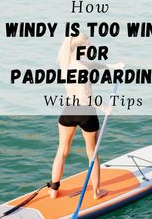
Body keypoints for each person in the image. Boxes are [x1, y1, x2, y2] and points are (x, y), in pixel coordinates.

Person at [48, 33, 123, 200]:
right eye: (88, 45)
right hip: (86, 113)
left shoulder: (67, 62)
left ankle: (53, 189)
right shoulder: (82, 68)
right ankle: (96, 192)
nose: (90, 47)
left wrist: (111, 67)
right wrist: (105, 107)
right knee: (92, 154)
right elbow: (86, 98)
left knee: (62, 150)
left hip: (68, 111)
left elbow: (93, 64)